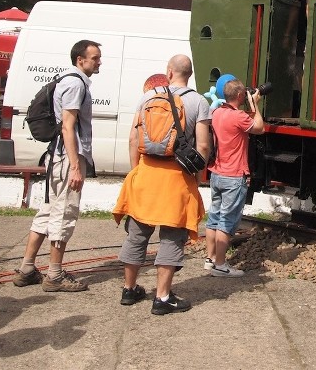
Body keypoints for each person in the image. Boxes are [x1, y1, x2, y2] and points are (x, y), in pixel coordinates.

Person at [112, 55, 211, 315]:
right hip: (176, 178)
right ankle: (163, 297)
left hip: (145, 174)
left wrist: (137, 171)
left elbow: (134, 138)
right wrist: (196, 175)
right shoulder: (198, 101)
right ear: (190, 74)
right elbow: (202, 145)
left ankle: (129, 289)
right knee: (171, 237)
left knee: (137, 234)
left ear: (168, 72)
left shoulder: (148, 97)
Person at [12, 40, 101, 292]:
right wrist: (75, 165)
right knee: (64, 213)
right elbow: (67, 126)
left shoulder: (67, 79)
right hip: (66, 157)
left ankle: (27, 269)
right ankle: (54, 275)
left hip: (57, 156)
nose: (98, 62)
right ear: (79, 59)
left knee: (48, 211)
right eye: (94, 58)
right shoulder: (75, 83)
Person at [204, 78, 265, 277]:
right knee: (227, 221)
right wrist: (254, 103)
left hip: (217, 173)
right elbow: (259, 128)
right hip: (234, 175)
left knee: (214, 217)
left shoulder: (217, 112)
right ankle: (221, 265)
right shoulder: (239, 117)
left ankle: (210, 258)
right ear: (240, 96)